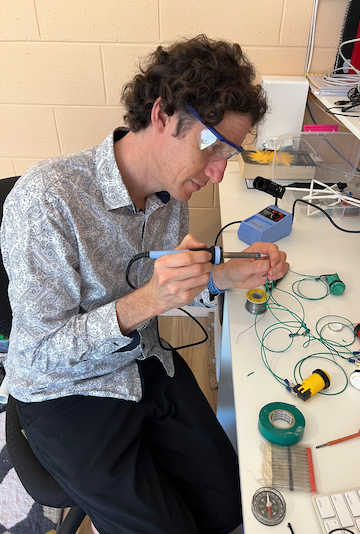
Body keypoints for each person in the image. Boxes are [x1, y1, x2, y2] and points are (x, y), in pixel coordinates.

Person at [1, 35, 289, 534]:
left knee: (229, 507)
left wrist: (224, 275)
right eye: (212, 147)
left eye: (230, 154)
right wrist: (148, 300)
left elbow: (168, 286)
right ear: (162, 115)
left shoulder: (170, 196)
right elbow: (40, 353)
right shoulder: (47, 199)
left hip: (144, 362)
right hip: (65, 392)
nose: (219, 173)